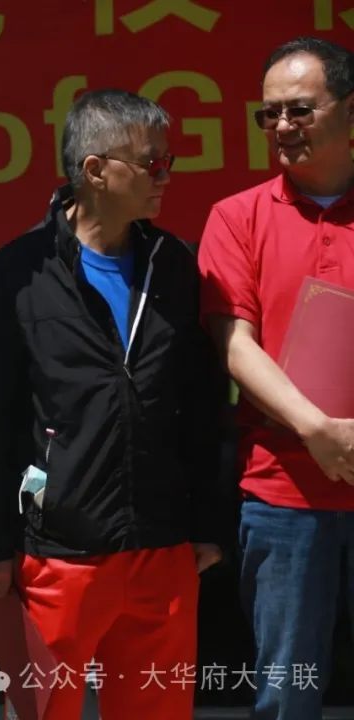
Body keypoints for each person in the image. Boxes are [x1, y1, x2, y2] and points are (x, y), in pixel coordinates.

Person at [0, 89, 226, 719]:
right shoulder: (17, 274)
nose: (165, 176)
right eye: (151, 163)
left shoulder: (174, 265)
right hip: (58, 553)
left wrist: (207, 523)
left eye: (167, 161)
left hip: (162, 548)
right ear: (94, 170)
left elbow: (203, 405)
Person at [198, 36, 354, 719]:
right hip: (284, 491)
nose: (283, 126)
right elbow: (235, 344)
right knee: (288, 692)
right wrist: (316, 429)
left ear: (350, 111)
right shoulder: (238, 217)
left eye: (300, 109)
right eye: (270, 114)